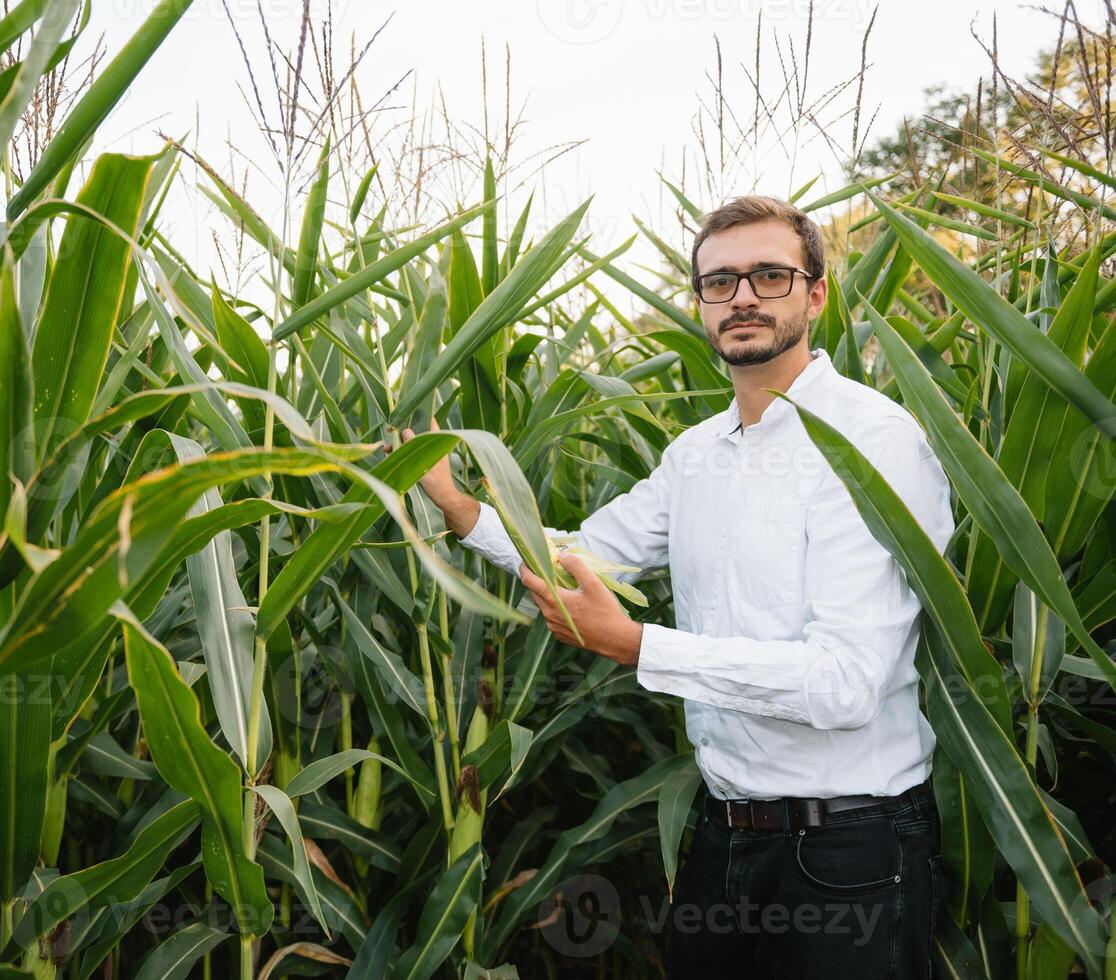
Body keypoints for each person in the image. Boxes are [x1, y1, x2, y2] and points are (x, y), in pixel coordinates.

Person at [400, 195, 955, 978]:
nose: (744, 298)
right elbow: (584, 556)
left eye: (769, 275)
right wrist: (462, 510)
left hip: (850, 851)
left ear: (817, 293)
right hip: (724, 836)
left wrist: (635, 646)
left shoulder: (872, 445)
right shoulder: (695, 457)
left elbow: (845, 686)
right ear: (700, 304)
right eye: (719, 282)